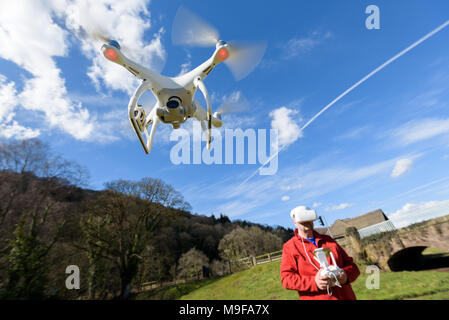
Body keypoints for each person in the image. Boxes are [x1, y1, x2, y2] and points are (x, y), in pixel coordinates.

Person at [280, 206, 360, 300]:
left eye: (308, 218)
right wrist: (314, 282)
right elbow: (287, 279)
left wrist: (346, 276)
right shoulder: (290, 247)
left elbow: (353, 267)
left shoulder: (328, 240)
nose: (306, 222)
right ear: (294, 221)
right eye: (302, 219)